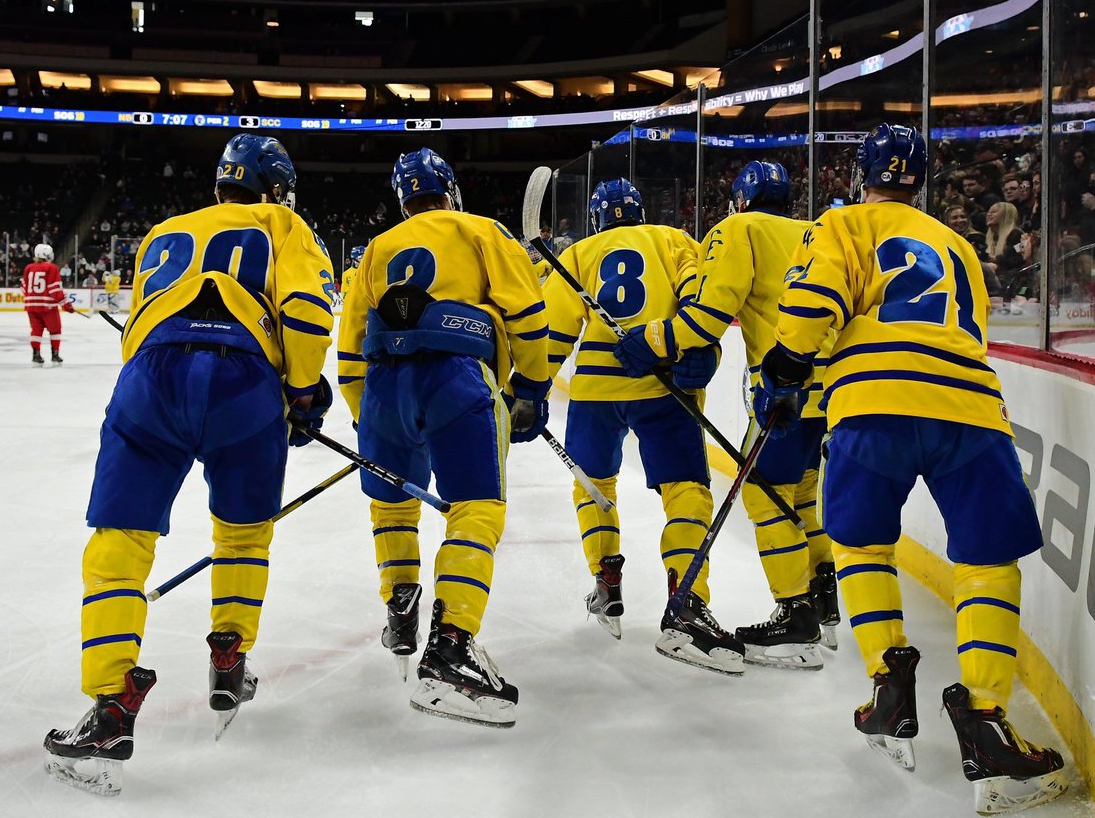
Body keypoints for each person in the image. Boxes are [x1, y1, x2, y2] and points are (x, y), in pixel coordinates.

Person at [756, 123, 1066, 812]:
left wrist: (783, 371)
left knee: (861, 545)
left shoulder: (839, 223)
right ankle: (986, 720)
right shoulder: (955, 242)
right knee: (988, 560)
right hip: (970, 407)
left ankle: (887, 684)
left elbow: (814, 303)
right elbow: (972, 327)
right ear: (920, 179)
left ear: (859, 174)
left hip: (872, 402)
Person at [44, 134, 335, 795]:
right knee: (243, 533)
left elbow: (138, 332)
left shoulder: (166, 231)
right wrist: (301, 394)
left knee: (120, 539)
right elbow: (308, 312)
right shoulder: (282, 222)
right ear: (276, 189)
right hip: (244, 386)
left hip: (148, 383)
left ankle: (112, 705)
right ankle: (229, 659)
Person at [337, 147, 549, 727]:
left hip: (383, 383)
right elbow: (529, 313)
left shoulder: (376, 249)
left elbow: (350, 346)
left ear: (403, 201)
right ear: (449, 191)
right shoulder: (481, 229)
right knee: (475, 509)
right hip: (458, 375)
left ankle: (400, 606)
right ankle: (451, 648)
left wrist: (368, 414)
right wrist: (531, 388)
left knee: (393, 500)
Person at [615, 161, 838, 671]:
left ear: (739, 199)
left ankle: (796, 617)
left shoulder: (739, 228)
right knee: (802, 493)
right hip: (839, 387)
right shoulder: (816, 231)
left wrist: (654, 340)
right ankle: (823, 597)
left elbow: (710, 313)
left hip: (788, 388)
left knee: (763, 492)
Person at [546, 177, 743, 674]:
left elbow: (554, 332)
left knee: (594, 487)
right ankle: (688, 602)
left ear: (596, 219)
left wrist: (528, 388)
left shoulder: (579, 255)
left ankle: (605, 579)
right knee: (686, 491)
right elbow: (705, 305)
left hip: (594, 392)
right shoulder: (675, 240)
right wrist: (703, 351)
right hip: (663, 386)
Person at [21, 243, 75, 366]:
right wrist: (65, 304)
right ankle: (55, 354)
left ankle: (36, 354)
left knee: (36, 330)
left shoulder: (29, 268)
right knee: (55, 330)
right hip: (48, 306)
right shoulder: (51, 268)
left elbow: (23, 287)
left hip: (31, 306)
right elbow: (54, 289)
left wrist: (32, 297)